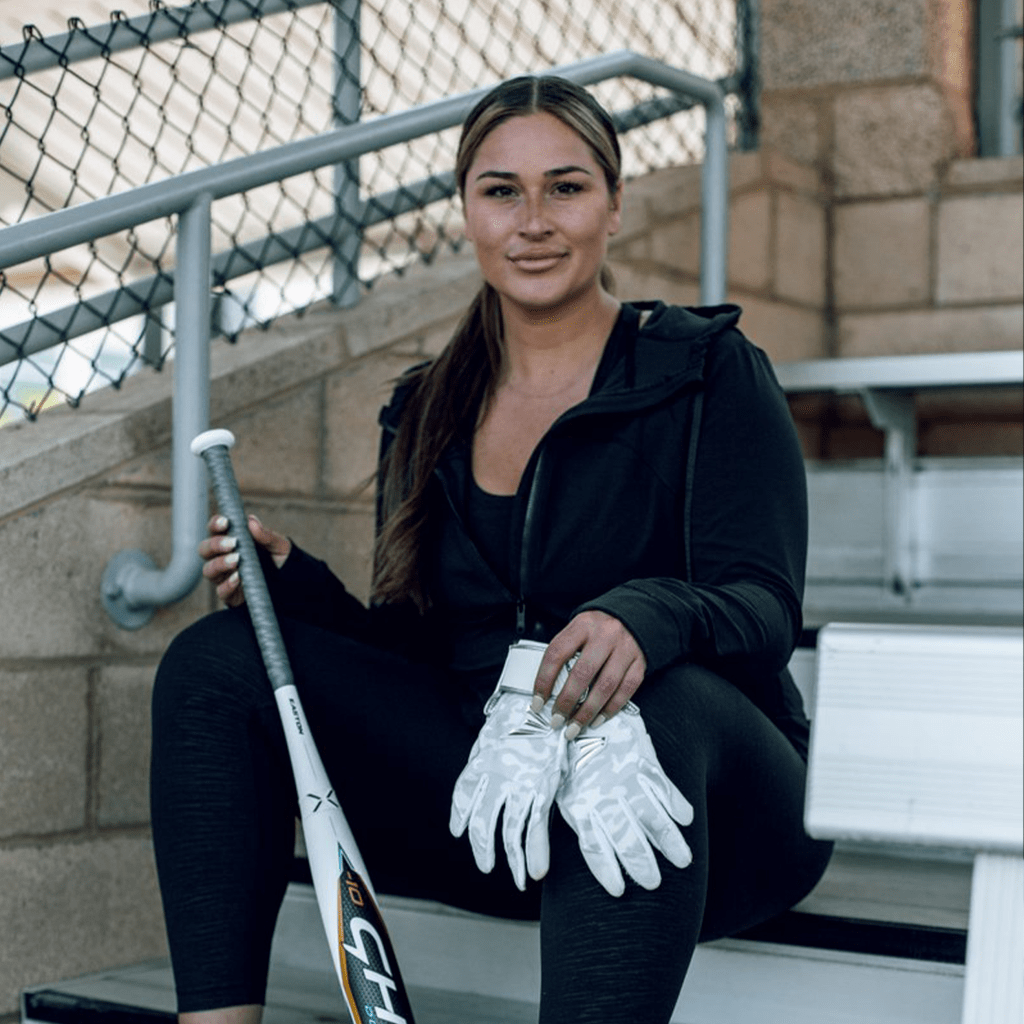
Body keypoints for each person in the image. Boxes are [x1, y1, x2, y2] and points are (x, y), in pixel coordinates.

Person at [150, 74, 833, 1024]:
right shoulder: (428, 405)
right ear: (466, 210)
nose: (535, 221)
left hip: (708, 811)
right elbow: (418, 649)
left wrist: (640, 616)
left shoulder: (706, 371)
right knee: (217, 663)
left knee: (624, 704)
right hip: (498, 799)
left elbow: (761, 606)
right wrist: (293, 587)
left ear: (614, 205)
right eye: (502, 191)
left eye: (567, 186)